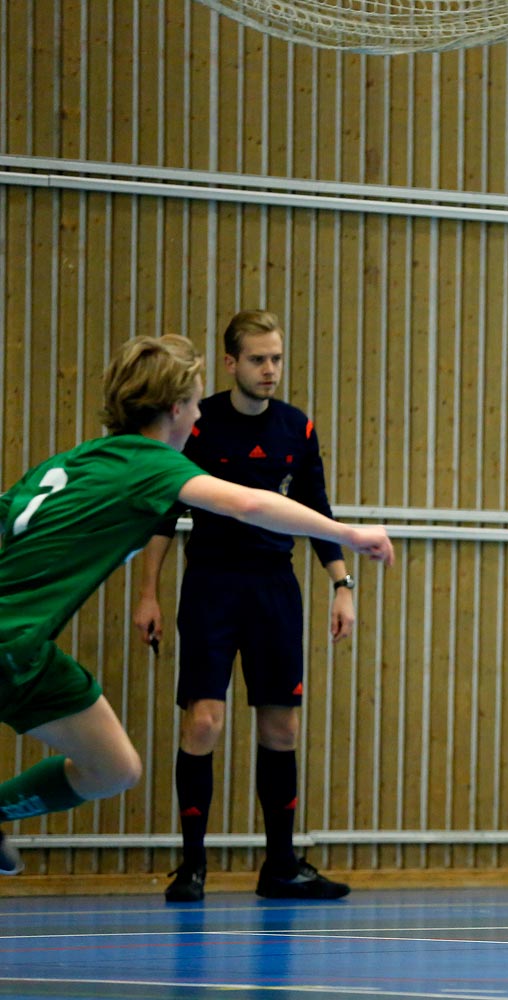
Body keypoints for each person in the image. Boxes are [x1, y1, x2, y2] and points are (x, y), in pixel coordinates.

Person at [0, 335, 393, 880]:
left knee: (114, 768)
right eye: (195, 401)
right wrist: (348, 533)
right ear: (177, 409)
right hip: (9, 641)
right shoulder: (153, 465)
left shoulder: (71, 463)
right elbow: (250, 503)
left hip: (29, 654)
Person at [132, 311, 359, 903]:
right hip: (211, 584)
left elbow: (316, 509)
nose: (270, 370)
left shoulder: (296, 429)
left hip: (273, 589)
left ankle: (280, 865)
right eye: (258, 359)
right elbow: (163, 512)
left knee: (281, 725)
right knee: (204, 720)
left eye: (277, 359)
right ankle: (191, 866)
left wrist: (342, 583)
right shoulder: (198, 423)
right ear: (231, 363)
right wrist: (148, 594)